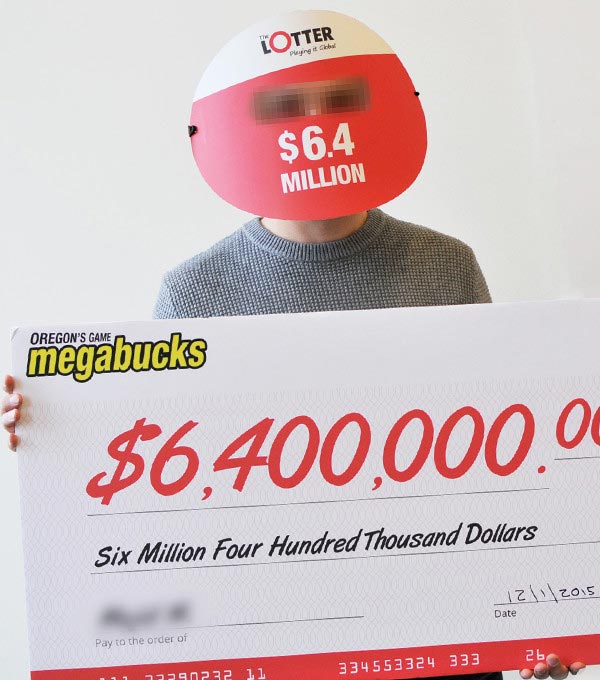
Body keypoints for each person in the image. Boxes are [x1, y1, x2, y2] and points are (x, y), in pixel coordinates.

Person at [3, 8, 587, 680]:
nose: (313, 126)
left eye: (339, 101)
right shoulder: (193, 294)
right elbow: (159, 490)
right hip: (280, 642)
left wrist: (541, 626)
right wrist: (52, 429)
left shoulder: (446, 264)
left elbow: (506, 462)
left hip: (439, 637)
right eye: (283, 108)